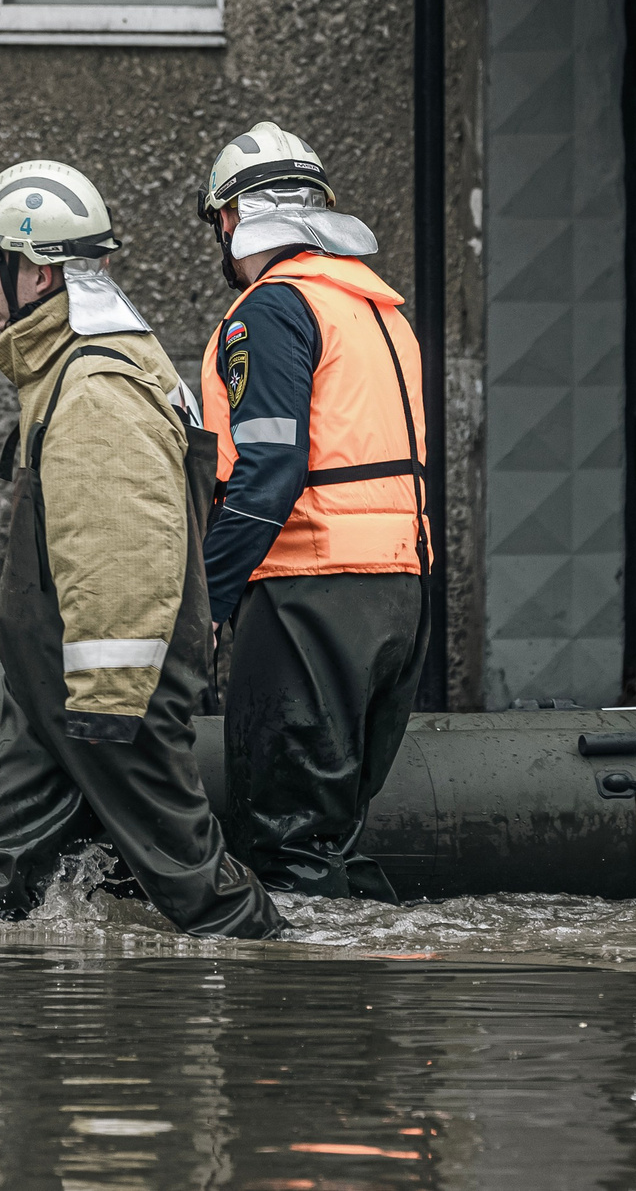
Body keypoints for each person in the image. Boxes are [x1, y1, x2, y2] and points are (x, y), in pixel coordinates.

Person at [0, 158, 284, 938]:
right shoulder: (71, 364)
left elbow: (124, 553)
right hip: (61, 687)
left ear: (36, 271)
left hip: (106, 694)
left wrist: (106, 701)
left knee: (196, 887)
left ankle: (290, 984)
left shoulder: (95, 385)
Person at [195, 122, 428, 903]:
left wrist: (208, 599)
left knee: (285, 842)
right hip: (399, 592)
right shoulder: (378, 312)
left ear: (230, 220)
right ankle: (357, 1010)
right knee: (331, 833)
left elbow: (270, 469)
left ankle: (297, 1020)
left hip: (309, 589)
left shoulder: (271, 310)